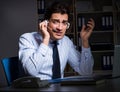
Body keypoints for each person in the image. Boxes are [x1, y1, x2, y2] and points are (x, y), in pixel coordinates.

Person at [18, 2, 95, 80]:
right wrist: (45, 40)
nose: (60, 28)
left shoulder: (66, 42)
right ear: (45, 23)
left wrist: (85, 41)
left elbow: (86, 72)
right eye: (55, 22)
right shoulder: (27, 39)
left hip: (59, 88)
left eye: (64, 23)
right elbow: (31, 71)